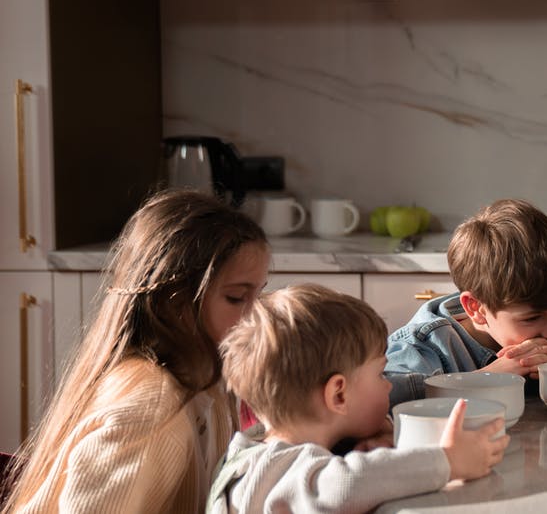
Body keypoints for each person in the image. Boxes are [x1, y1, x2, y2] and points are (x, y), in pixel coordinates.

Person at [2, 190, 270, 512]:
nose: (258, 315)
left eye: (259, 295)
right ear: (176, 303)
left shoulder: (208, 379)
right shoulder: (150, 409)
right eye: (237, 298)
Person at [208, 284, 508, 512]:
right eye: (380, 374)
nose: (389, 386)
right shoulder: (271, 471)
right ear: (338, 394)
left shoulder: (263, 452)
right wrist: (449, 461)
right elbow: (346, 483)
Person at [384, 199, 547, 405]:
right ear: (476, 308)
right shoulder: (426, 346)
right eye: (532, 318)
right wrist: (485, 378)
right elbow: (380, 397)